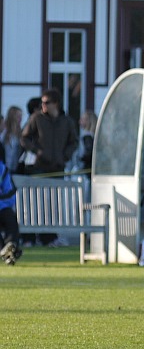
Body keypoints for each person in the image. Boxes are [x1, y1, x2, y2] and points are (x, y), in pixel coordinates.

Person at [20, 89, 79, 247]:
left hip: (57, 167)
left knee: (53, 204)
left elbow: (74, 142)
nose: (43, 106)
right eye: (42, 103)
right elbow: (24, 138)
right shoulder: (36, 118)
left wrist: (64, 156)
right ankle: (30, 237)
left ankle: (49, 237)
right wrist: (37, 151)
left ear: (56, 104)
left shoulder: (67, 121)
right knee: (35, 203)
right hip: (39, 167)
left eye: (46, 103)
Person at [0, 160, 22, 265]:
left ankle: (10, 247)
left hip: (1, 207)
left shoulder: (2, 169)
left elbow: (10, 193)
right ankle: (5, 251)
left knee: (10, 219)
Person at [0, 106, 23, 173]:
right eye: (18, 116)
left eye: (21, 116)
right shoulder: (4, 132)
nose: (20, 118)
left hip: (15, 168)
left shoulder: (20, 133)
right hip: (4, 167)